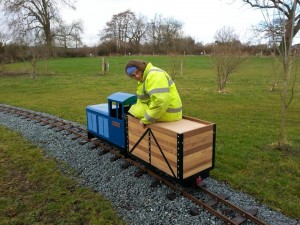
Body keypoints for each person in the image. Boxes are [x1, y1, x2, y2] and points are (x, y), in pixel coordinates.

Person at [125, 60, 182, 127]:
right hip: (166, 111)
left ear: (141, 68)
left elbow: (161, 101)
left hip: (168, 112)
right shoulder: (145, 77)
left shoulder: (154, 75)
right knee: (133, 109)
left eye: (137, 72)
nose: (137, 76)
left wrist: (146, 119)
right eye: (133, 75)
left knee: (133, 111)